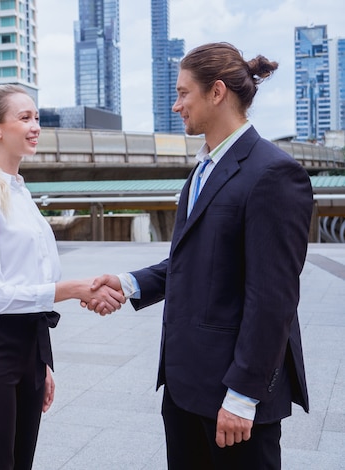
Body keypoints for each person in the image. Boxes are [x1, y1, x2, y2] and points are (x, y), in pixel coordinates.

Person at [87, 42, 313, 469]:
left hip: (233, 399)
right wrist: (128, 283)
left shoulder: (274, 173)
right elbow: (195, 261)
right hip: (186, 388)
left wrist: (244, 397)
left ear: (217, 92)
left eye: (183, 93)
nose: (176, 106)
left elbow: (273, 298)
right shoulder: (203, 169)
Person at [0, 84, 125, 470]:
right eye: (24, 118)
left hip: (28, 343)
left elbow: (34, 276)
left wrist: (41, 360)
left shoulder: (20, 191)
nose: (35, 127)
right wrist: (73, 290)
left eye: (37, 118)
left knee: (21, 463)